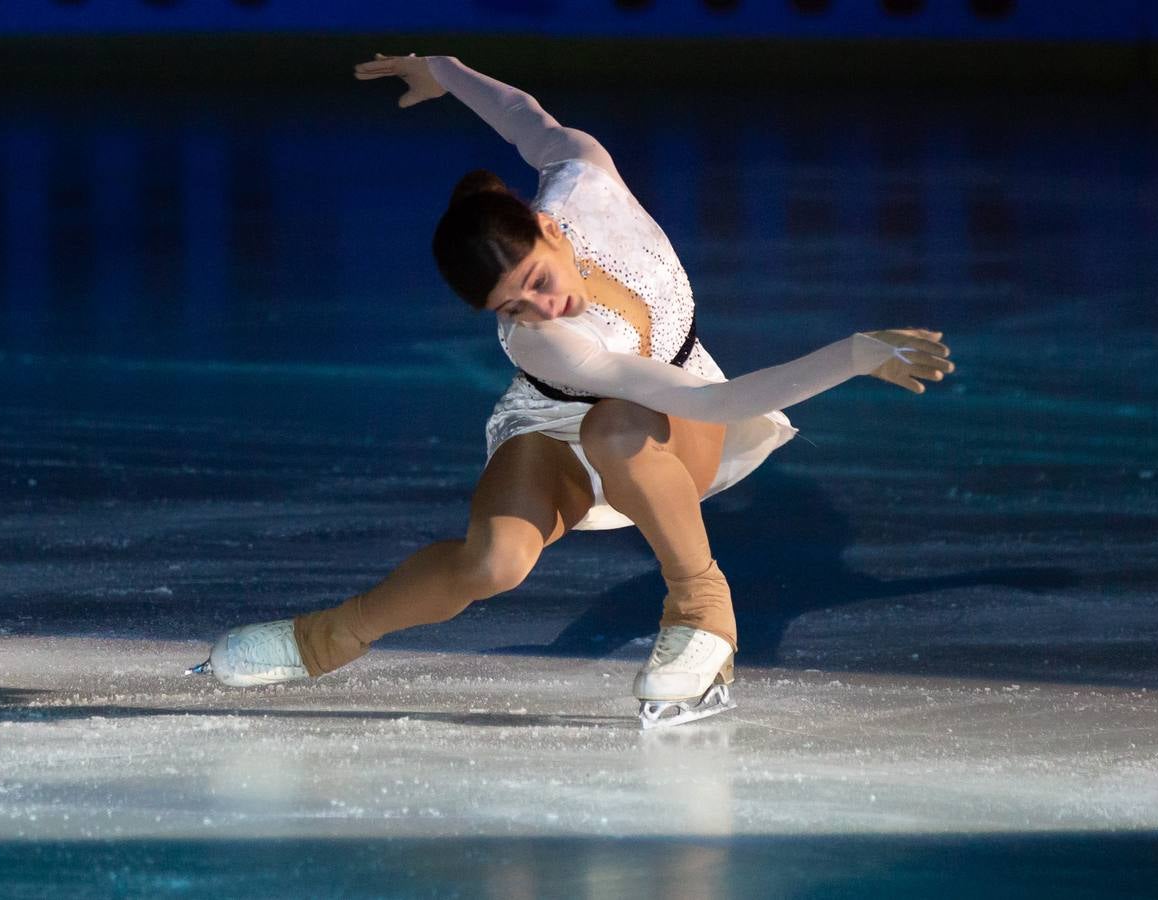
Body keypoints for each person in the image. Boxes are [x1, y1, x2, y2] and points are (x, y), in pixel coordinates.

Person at [188, 53, 955, 728]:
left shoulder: (584, 177)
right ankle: (324, 638)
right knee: (493, 560)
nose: (539, 310)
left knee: (618, 428)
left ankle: (701, 610)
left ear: (549, 229)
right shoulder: (543, 342)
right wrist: (851, 354)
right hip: (550, 420)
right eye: (511, 308)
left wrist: (445, 68)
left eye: (537, 283)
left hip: (669, 416)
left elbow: (527, 118)